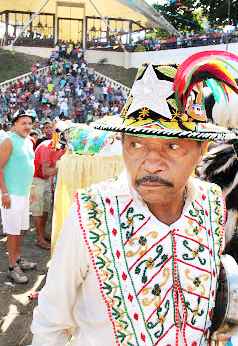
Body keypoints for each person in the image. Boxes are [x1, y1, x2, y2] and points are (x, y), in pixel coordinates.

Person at [31, 51, 238, 345]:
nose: (151, 162)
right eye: (136, 143)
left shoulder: (212, 202)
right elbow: (51, 322)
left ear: (201, 149)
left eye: (172, 146)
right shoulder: (91, 210)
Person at [0, 110, 36, 284]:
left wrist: (32, 188)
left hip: (24, 193)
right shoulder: (8, 141)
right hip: (11, 194)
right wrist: (4, 193)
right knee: (12, 231)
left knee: (20, 229)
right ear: (15, 124)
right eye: (23, 123)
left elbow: (28, 167)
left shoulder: (30, 141)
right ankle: (12, 267)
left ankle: (18, 259)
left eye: (29, 123)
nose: (27, 127)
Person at [31, 138, 65, 250]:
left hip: (45, 179)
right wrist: (63, 167)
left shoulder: (62, 147)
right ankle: (40, 238)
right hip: (36, 179)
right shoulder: (46, 147)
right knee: (38, 210)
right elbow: (46, 170)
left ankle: (43, 234)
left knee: (45, 209)